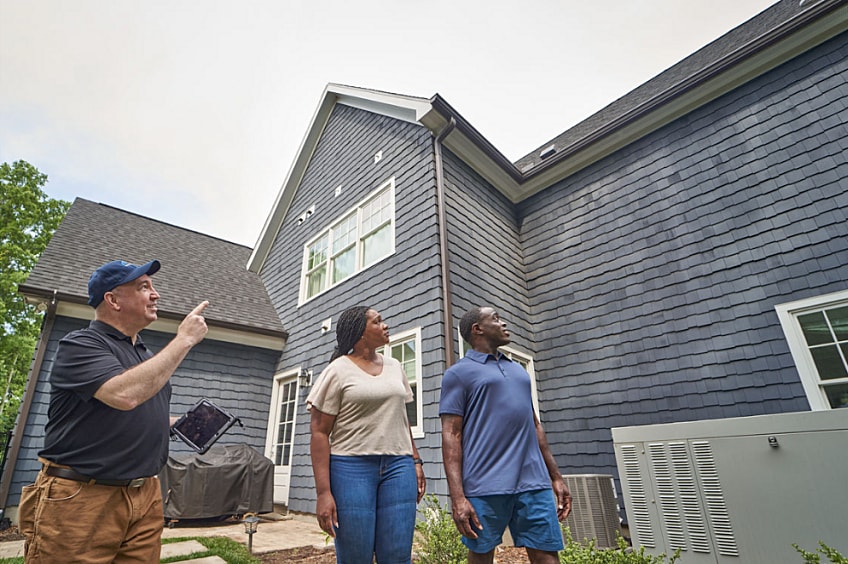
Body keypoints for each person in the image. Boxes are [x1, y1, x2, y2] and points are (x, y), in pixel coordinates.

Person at [19, 259, 209, 563]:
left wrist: (176, 423)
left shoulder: (143, 353)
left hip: (145, 495)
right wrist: (184, 339)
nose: (155, 294)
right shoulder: (81, 344)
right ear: (113, 299)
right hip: (82, 497)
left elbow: (135, 407)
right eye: (143, 286)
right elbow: (124, 394)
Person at [440, 306, 572, 564]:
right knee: (481, 556)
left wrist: (555, 477)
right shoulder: (458, 374)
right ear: (477, 329)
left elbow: (535, 425)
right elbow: (451, 435)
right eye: (496, 319)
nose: (503, 323)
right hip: (484, 484)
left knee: (547, 556)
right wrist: (458, 497)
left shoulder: (518, 372)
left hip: (534, 482)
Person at [308, 306, 426, 564]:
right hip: (351, 468)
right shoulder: (337, 370)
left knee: (397, 555)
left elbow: (402, 419)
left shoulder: (395, 366)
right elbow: (319, 432)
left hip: (399, 466)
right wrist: (323, 493)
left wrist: (415, 461)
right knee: (355, 556)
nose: (385, 325)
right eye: (377, 321)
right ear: (361, 332)